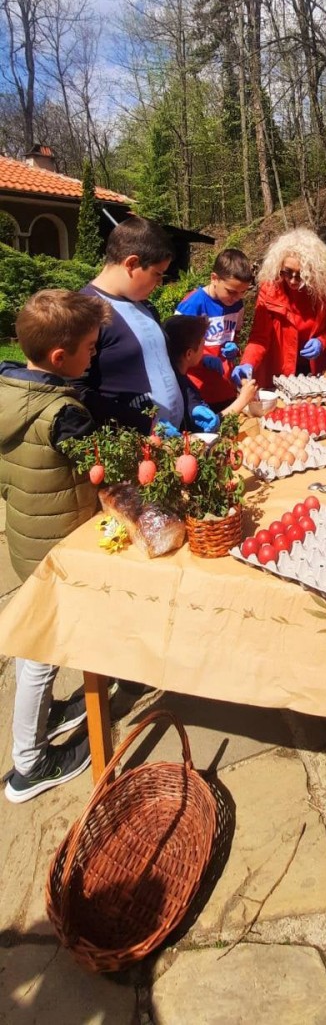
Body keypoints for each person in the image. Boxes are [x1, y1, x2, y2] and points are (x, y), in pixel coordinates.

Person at [0, 289, 112, 803]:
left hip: (27, 535)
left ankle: (48, 721)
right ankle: (29, 765)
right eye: (91, 348)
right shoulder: (65, 414)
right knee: (37, 653)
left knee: (38, 643)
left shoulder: (7, 387)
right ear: (61, 358)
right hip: (56, 546)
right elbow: (98, 468)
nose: (95, 355)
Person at [78, 216, 184, 434]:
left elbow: (165, 365)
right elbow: (77, 390)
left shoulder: (145, 306)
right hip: (131, 446)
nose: (159, 283)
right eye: (157, 274)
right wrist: (142, 423)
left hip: (171, 441)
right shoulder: (85, 311)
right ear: (132, 263)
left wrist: (194, 403)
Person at [232, 228, 326, 389]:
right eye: (287, 272)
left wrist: (321, 341)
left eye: (301, 274)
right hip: (280, 368)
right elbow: (259, 336)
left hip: (318, 368)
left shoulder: (325, 289)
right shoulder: (269, 289)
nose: (293, 281)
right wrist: (248, 362)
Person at [175, 249, 254, 411]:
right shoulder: (193, 304)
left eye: (242, 293)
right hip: (197, 390)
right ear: (214, 278)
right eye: (231, 291)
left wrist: (234, 349)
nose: (236, 298)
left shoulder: (237, 304)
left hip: (226, 388)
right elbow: (175, 349)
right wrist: (204, 358)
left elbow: (235, 335)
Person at [162, 314, 258, 429]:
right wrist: (243, 399)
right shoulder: (183, 390)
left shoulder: (172, 376)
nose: (204, 350)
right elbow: (211, 426)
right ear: (189, 354)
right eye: (203, 345)